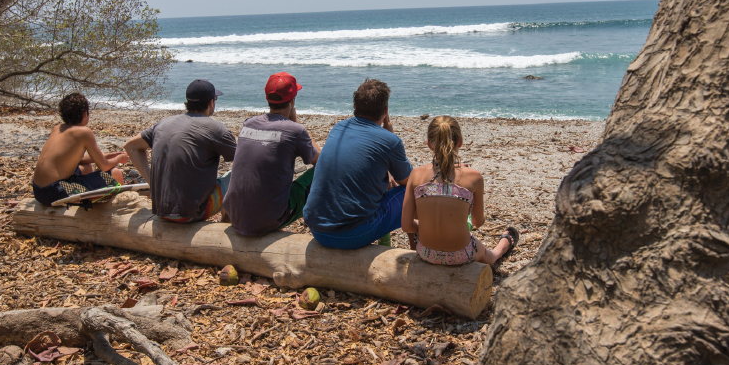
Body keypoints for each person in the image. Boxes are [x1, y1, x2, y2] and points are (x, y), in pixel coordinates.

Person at [303, 79, 414, 249]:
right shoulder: (390, 141)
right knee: (417, 191)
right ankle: (418, 251)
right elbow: (409, 181)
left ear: (355, 106)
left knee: (382, 183)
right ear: (385, 111)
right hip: (351, 234)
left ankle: (386, 242)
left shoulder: (339, 128)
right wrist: (389, 135)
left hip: (317, 230)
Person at [401, 115, 518, 266]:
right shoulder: (474, 177)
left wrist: (426, 225)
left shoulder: (416, 174)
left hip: (426, 253)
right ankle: (502, 248)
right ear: (460, 142)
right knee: (487, 255)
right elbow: (477, 222)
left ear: (429, 144)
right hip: (460, 254)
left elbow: (406, 226)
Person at [124, 79, 237, 222]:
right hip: (190, 214)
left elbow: (131, 146)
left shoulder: (163, 124)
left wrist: (152, 183)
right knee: (237, 176)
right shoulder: (216, 129)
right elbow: (244, 161)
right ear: (211, 103)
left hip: (161, 210)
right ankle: (225, 231)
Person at [222, 72, 321, 236]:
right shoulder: (295, 130)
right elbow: (320, 160)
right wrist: (295, 121)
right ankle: (324, 228)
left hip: (235, 214)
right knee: (322, 171)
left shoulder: (249, 123)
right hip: (268, 220)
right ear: (292, 101)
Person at [32, 92, 128, 206]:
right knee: (115, 174)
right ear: (84, 114)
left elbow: (77, 159)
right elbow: (104, 166)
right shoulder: (84, 132)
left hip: (38, 191)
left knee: (85, 168)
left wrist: (108, 155)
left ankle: (83, 198)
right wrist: (120, 159)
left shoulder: (58, 128)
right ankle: (114, 208)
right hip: (55, 192)